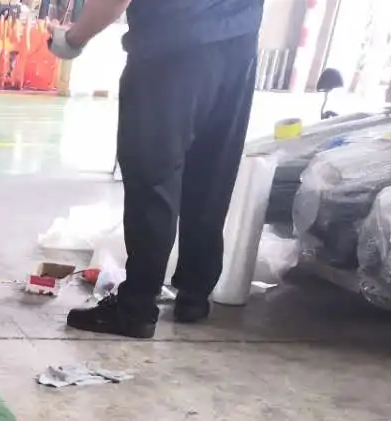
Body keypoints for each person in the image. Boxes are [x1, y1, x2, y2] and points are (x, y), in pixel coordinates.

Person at [49, 0, 265, 339]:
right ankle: (195, 294)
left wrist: (72, 39)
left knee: (153, 175)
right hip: (239, 48)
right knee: (211, 170)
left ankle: (136, 307)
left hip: (171, 48)